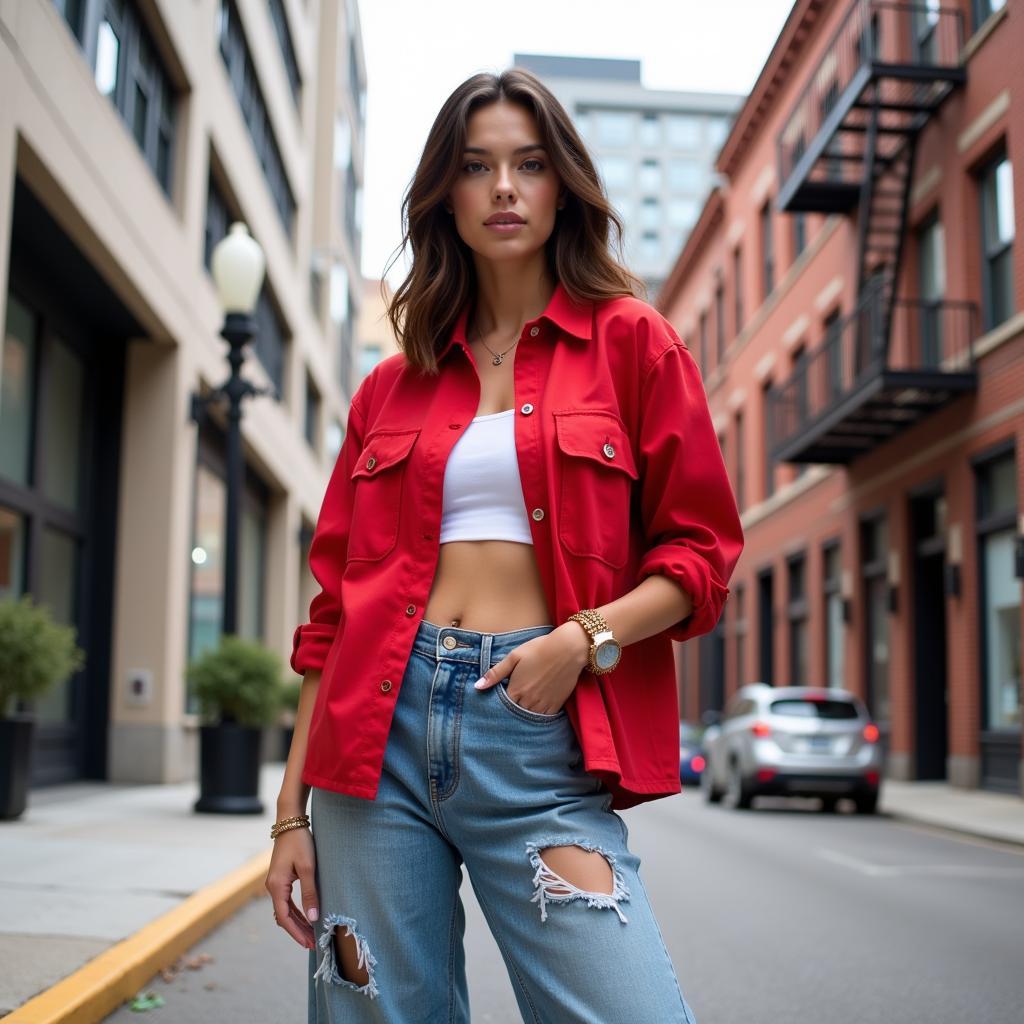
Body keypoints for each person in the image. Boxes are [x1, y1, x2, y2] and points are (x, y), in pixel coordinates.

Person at [265, 67, 743, 1024]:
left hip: (536, 732)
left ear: (563, 182)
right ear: (448, 192)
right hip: (375, 739)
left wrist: (581, 640)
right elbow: (331, 621)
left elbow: (701, 556)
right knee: (375, 1014)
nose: (506, 189)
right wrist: (289, 815)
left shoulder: (634, 345)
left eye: (529, 163)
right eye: (477, 167)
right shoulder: (388, 389)